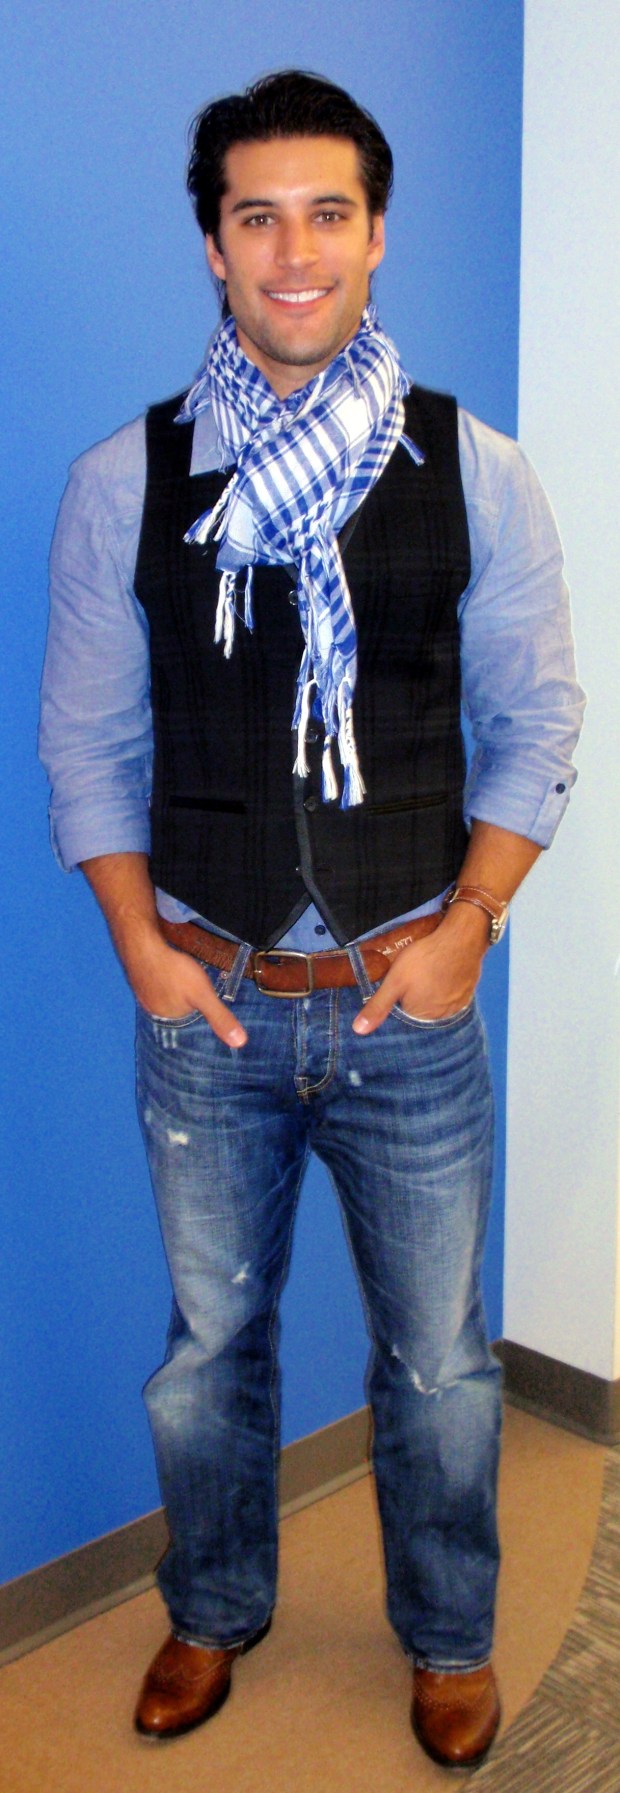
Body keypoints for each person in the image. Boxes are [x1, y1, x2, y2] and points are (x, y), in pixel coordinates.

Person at [39, 69, 585, 1771]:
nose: (295, 251)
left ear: (376, 234)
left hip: (408, 994)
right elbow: (87, 743)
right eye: (257, 216)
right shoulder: (122, 481)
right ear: (213, 244)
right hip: (205, 1001)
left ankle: (449, 1634)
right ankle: (213, 1606)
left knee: (441, 1363)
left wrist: (471, 925)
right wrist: (141, 950)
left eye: (327, 213)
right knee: (208, 1354)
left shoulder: (473, 467)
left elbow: (538, 721)